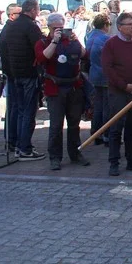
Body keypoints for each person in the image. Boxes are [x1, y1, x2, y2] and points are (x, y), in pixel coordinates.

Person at [35, 13, 91, 170]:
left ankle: (75, 153)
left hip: (74, 87)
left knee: (74, 124)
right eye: (57, 28)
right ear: (50, 28)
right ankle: (55, 157)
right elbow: (42, 58)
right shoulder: (43, 42)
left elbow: (85, 55)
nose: (61, 31)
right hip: (55, 88)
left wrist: (76, 41)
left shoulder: (70, 40)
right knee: (56, 125)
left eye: (63, 28)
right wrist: (54, 41)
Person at [101, 11, 132, 176]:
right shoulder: (111, 44)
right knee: (116, 127)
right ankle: (114, 162)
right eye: (130, 24)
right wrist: (124, 86)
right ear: (120, 27)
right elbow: (108, 69)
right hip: (119, 92)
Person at [0, 0, 45, 161]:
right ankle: (24, 148)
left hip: (14, 74)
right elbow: (41, 50)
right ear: (33, 10)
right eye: (37, 9)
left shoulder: (12, 26)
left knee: (18, 110)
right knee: (27, 112)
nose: (38, 13)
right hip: (27, 74)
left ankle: (17, 144)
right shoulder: (30, 26)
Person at [87, 13, 112, 146]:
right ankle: (106, 134)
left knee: (97, 106)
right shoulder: (105, 39)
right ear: (105, 25)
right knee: (107, 106)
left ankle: (96, 133)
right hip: (104, 75)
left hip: (94, 74)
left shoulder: (90, 36)